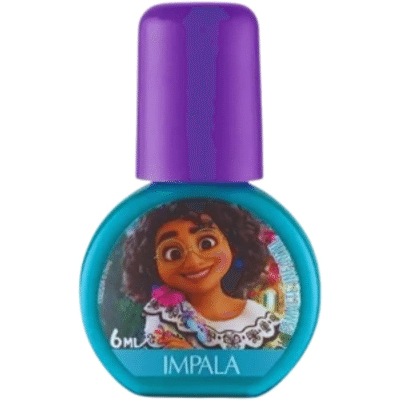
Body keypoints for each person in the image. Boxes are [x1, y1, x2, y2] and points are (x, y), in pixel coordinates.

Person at [123, 199, 282, 349]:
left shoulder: (259, 317)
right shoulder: (166, 315)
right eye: (173, 253)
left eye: (207, 243)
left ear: (233, 245)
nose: (194, 261)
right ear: (153, 265)